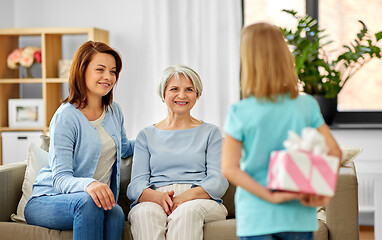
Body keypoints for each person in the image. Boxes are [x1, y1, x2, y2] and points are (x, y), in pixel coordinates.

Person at [221, 23, 342, 240]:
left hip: (256, 218)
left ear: (248, 62)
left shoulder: (240, 111)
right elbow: (334, 152)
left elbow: (230, 169)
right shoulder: (306, 105)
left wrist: (270, 196)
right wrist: (322, 193)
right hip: (298, 217)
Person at [24, 41, 135, 240]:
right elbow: (60, 179)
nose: (108, 77)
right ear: (82, 71)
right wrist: (90, 184)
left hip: (91, 201)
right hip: (48, 200)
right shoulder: (66, 116)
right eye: (100, 69)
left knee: (115, 211)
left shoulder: (114, 111)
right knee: (89, 202)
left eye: (113, 71)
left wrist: (158, 135)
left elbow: (125, 149)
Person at [127, 65, 228, 240]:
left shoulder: (211, 132)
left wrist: (186, 196)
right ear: (163, 93)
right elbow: (136, 185)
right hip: (156, 196)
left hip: (199, 198)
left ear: (197, 94)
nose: (182, 95)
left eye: (189, 89)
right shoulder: (146, 135)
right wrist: (159, 197)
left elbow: (218, 179)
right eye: (174, 89)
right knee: (144, 214)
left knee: (187, 212)